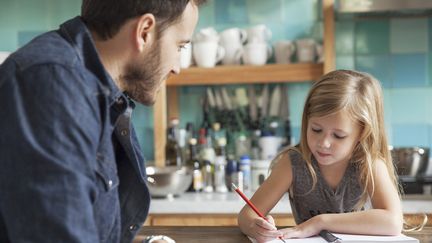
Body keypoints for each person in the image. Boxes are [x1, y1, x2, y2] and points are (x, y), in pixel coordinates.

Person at [0, 0, 205, 242]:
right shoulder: (51, 84)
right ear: (144, 32)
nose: (177, 68)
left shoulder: (98, 89)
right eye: (180, 46)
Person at [238, 70, 403, 242]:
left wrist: (320, 222)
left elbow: (393, 222)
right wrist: (256, 227)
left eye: (338, 136)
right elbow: (245, 216)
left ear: (362, 133)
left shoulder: (369, 164)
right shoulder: (293, 164)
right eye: (316, 130)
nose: (323, 143)